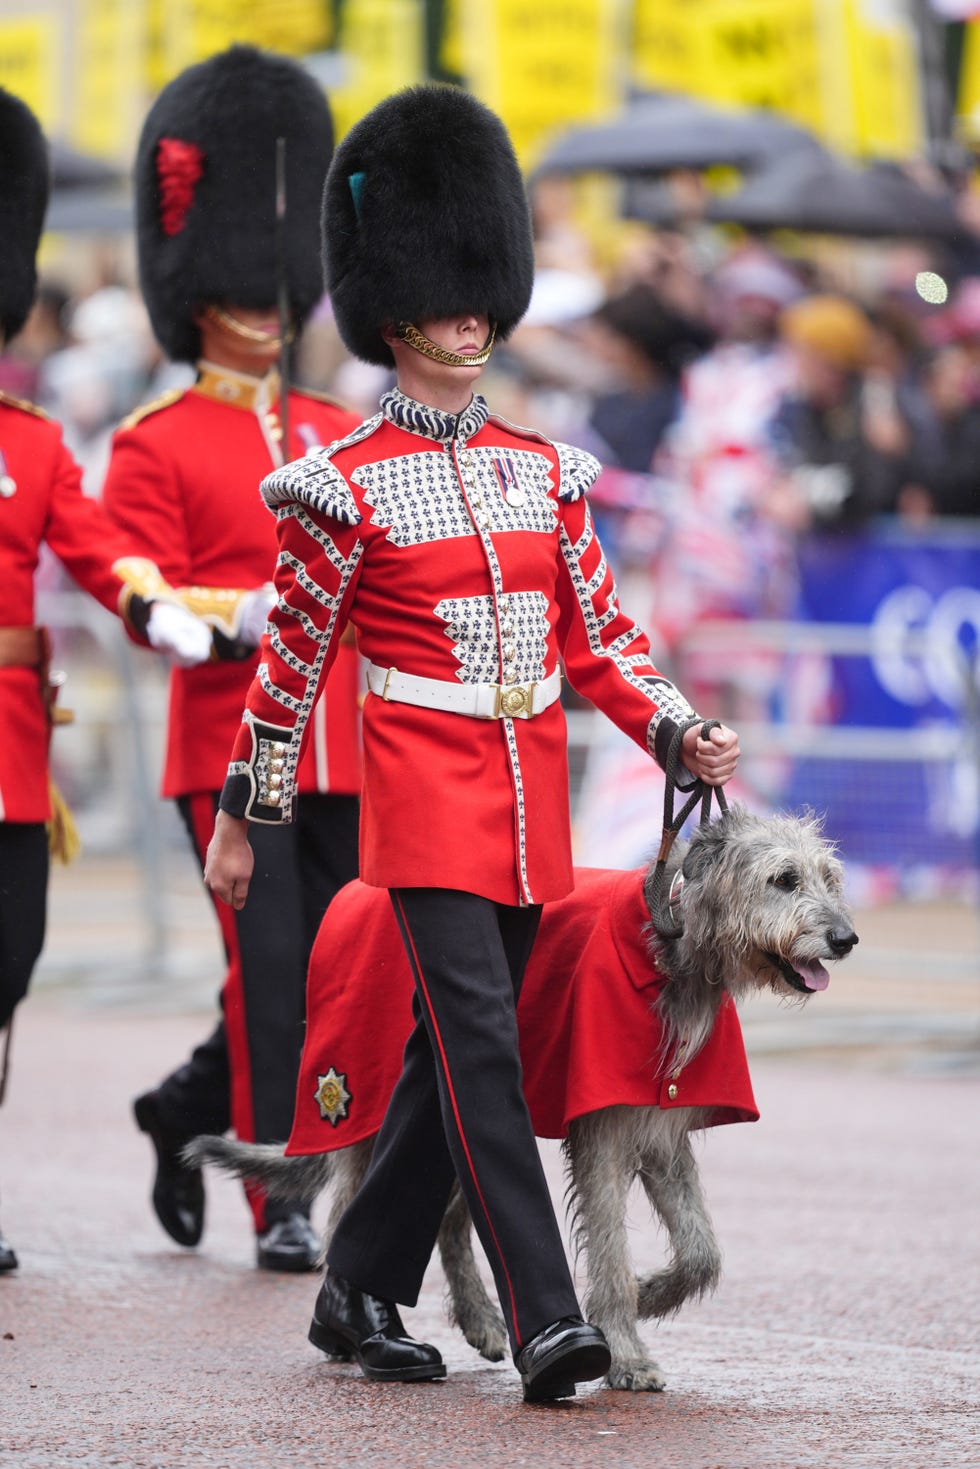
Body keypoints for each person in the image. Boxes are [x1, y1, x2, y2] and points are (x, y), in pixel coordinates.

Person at [204, 85, 738, 1400]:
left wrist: (674, 728)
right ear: (396, 310)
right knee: (487, 1048)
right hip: (425, 799)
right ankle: (558, 1320)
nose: (470, 315)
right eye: (448, 298)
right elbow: (290, 667)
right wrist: (242, 814)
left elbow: (600, 639)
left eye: (480, 295)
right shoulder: (343, 481)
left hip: (527, 800)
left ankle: (357, 1284)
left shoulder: (542, 470)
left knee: (452, 1068)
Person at [101, 47, 362, 1273]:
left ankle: (181, 1107)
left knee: (338, 970)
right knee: (269, 977)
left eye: (275, 289)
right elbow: (136, 579)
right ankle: (285, 1195)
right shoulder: (155, 439)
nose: (264, 305)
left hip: (348, 741)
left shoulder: (336, 432)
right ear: (191, 290)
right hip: (230, 743)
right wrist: (240, 608)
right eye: (239, 289)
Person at [0, 87, 212, 1272]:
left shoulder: (28, 439)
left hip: (12, 746)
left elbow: (94, 542)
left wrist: (156, 603)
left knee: (11, 958)